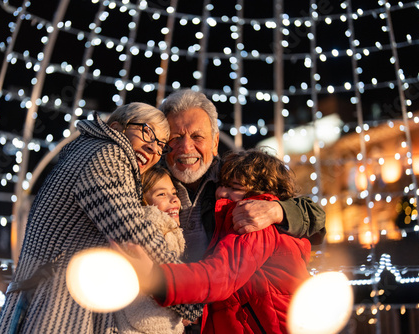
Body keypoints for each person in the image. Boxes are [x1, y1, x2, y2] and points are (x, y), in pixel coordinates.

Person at [0, 103, 202, 333]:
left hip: (48, 301)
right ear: (116, 127)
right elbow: (131, 231)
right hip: (53, 308)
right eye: (147, 132)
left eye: (161, 145)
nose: (153, 148)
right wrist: (189, 295)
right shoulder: (108, 155)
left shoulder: (87, 151)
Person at [113, 148, 312, 333]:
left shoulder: (255, 222)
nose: (222, 193)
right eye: (223, 185)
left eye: (234, 188)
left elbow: (221, 275)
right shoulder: (241, 222)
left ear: (258, 193)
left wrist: (156, 278)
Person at [158, 89, 326, 264]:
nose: (186, 147)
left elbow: (317, 220)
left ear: (215, 143)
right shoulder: (149, 182)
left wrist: (277, 211)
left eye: (197, 136)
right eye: (176, 137)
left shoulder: (236, 179)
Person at [115, 165, 186, 334]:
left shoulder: (168, 233)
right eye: (161, 194)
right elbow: (147, 310)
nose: (174, 199)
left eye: (174, 193)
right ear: (142, 201)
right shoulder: (156, 236)